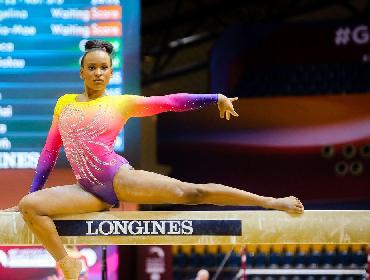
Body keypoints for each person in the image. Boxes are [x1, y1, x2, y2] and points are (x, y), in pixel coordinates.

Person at [1, 40, 304, 280]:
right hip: (86, 190)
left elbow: (170, 102)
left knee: (191, 193)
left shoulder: (120, 104)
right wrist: (31, 192)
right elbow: (49, 152)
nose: (97, 73)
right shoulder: (64, 104)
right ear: (81, 72)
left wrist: (214, 99)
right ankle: (68, 263)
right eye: (91, 67)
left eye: (103, 68)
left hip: (119, 179)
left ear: (110, 73)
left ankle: (270, 201)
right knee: (31, 206)